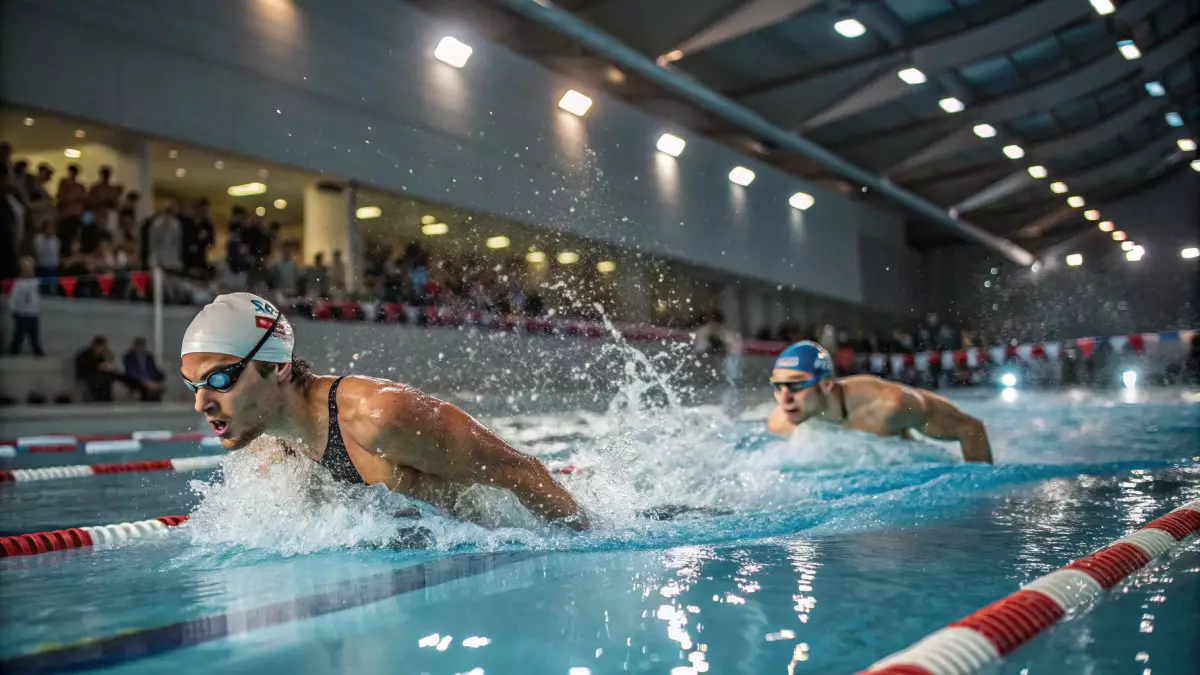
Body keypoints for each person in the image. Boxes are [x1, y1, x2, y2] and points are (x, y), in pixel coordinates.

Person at [179, 293, 590, 532]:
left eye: (219, 379)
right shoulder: (268, 446)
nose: (201, 403)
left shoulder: (380, 416)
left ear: (277, 366)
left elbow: (523, 473)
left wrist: (586, 544)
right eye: (193, 385)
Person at [766, 341, 993, 463]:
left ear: (826, 384)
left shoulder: (888, 405)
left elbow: (970, 428)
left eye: (796, 386)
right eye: (778, 386)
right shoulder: (781, 423)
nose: (785, 399)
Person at [75, 335, 147, 402]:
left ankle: (136, 386)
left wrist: (108, 365)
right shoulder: (85, 355)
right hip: (89, 376)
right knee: (101, 380)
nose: (104, 349)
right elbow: (84, 369)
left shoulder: (102, 355)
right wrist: (99, 366)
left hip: (103, 375)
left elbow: (109, 367)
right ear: (96, 346)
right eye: (103, 347)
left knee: (120, 376)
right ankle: (102, 399)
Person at [9, 257, 43, 356]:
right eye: (27, 268)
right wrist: (13, 309)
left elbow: (36, 296)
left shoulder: (36, 282)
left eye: (31, 268)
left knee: (34, 336)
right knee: (19, 336)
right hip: (21, 313)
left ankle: (37, 352)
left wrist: (37, 308)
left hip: (33, 313)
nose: (29, 271)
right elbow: (13, 297)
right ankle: (14, 352)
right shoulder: (18, 283)